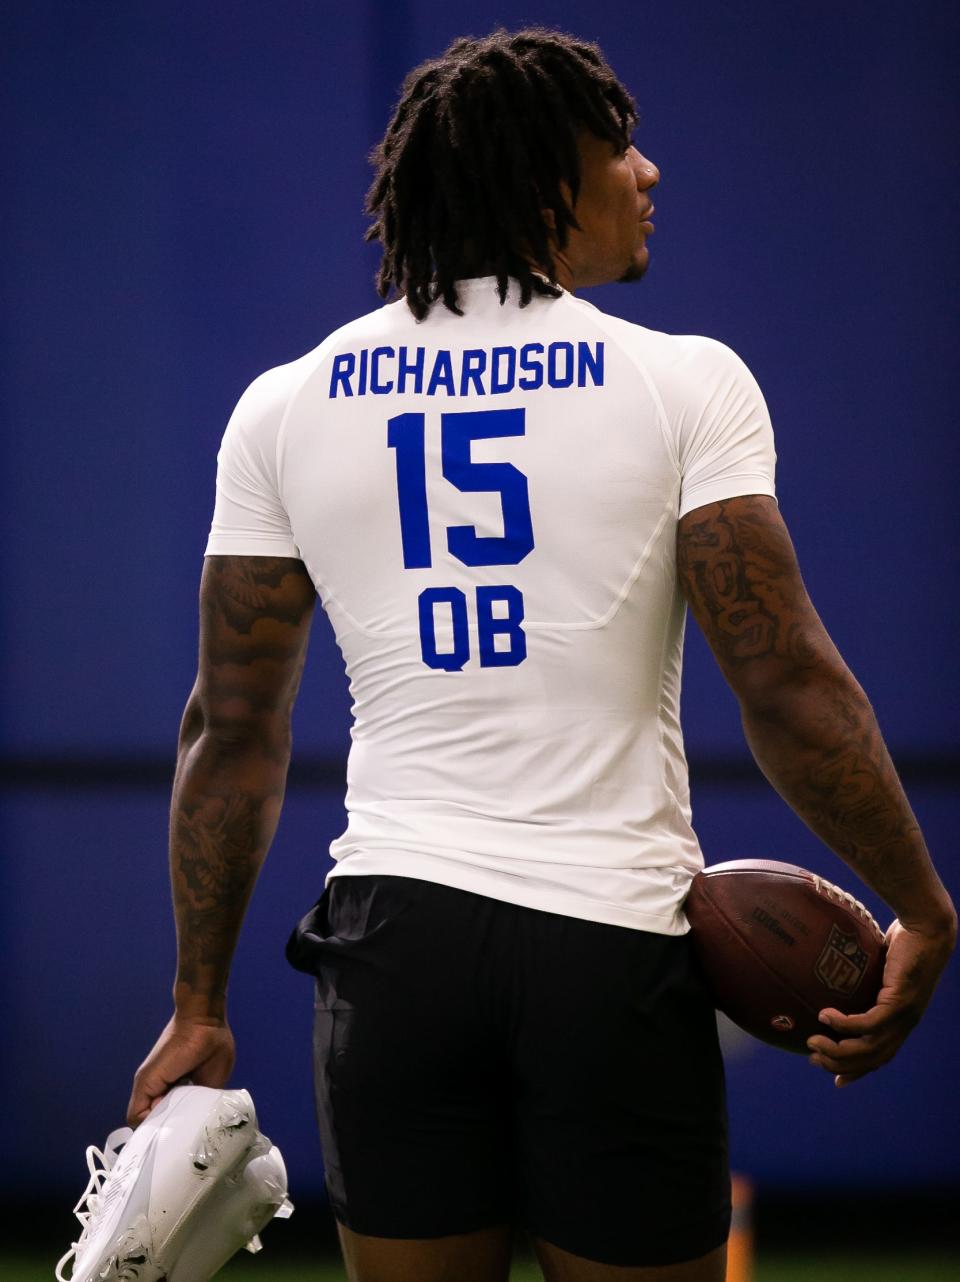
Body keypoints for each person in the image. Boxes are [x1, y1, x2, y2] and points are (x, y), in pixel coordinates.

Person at [127, 27, 956, 1282]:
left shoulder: (284, 405)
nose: (650, 172)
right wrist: (924, 903)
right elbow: (783, 678)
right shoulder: (686, 383)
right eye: (618, 145)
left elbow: (229, 731)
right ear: (547, 185)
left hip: (392, 951)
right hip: (608, 952)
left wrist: (198, 1003)